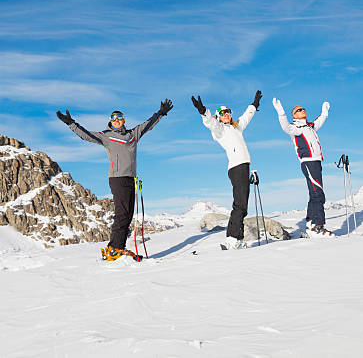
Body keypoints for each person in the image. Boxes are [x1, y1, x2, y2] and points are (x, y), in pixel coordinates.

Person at [56, 100, 173, 259]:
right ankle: (114, 249)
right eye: (113, 119)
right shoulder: (106, 136)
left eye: (119, 118)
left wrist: (160, 113)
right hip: (117, 179)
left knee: (128, 214)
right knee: (122, 214)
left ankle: (119, 247)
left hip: (131, 178)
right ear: (111, 121)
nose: (117, 121)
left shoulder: (132, 135)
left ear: (124, 120)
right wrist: (71, 123)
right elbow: (86, 135)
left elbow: (148, 125)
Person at [191, 90, 262, 249]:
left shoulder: (237, 128)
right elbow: (211, 123)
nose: (227, 115)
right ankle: (232, 238)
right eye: (223, 113)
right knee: (239, 204)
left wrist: (254, 104)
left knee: (242, 205)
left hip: (244, 166)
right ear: (219, 116)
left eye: (228, 112)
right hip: (236, 167)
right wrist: (203, 111)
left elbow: (246, 117)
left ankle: (238, 239)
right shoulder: (220, 131)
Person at [272, 98, 333, 237]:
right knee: (318, 194)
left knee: (315, 193)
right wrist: (281, 112)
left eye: (303, 108)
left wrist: (324, 112)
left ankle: (311, 223)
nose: (302, 110)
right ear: (294, 115)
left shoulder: (309, 126)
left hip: (316, 162)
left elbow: (319, 122)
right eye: (298, 110)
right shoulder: (296, 128)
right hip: (308, 162)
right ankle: (318, 227)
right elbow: (285, 127)